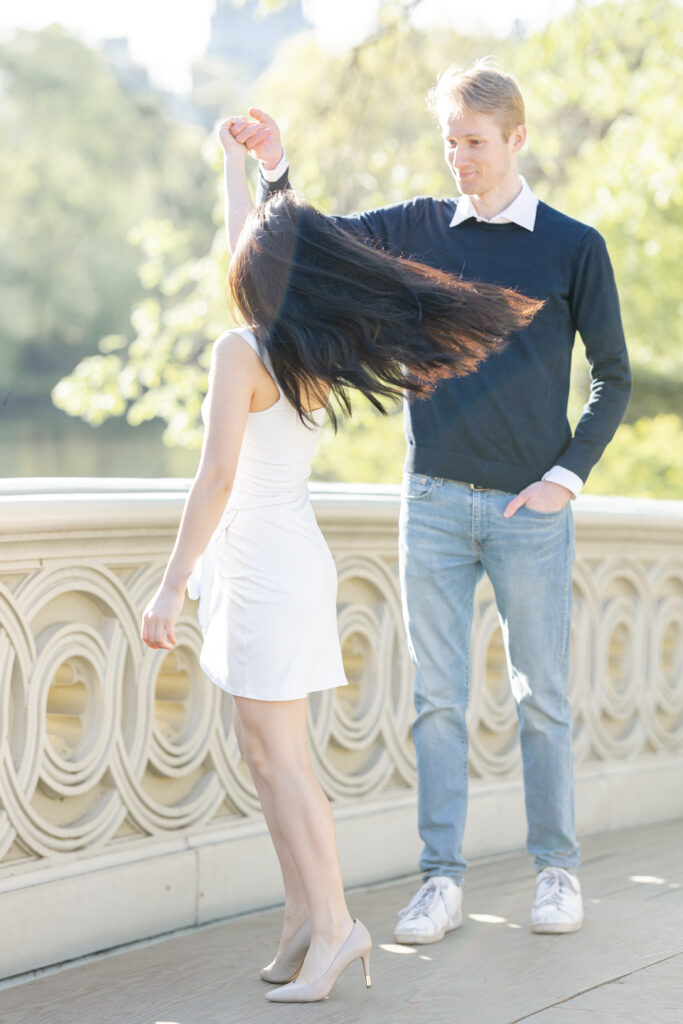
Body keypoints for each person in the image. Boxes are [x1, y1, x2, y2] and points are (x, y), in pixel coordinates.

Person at [231, 56, 632, 943]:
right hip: (434, 503)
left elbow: (613, 378)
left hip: (529, 513)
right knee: (438, 702)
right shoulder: (416, 225)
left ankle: (556, 872)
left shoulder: (573, 246)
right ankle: (440, 881)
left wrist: (563, 480)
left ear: (517, 139)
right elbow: (311, 243)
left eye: (476, 143)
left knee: (541, 698)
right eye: (450, 141)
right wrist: (274, 167)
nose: (460, 158)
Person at [140, 119, 540, 1003]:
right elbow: (255, 248)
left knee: (283, 762)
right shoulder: (300, 343)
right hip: (280, 561)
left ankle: (334, 928)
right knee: (265, 752)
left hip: (264, 567)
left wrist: (169, 584)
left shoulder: (240, 352)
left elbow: (213, 483)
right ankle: (301, 919)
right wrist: (234, 168)